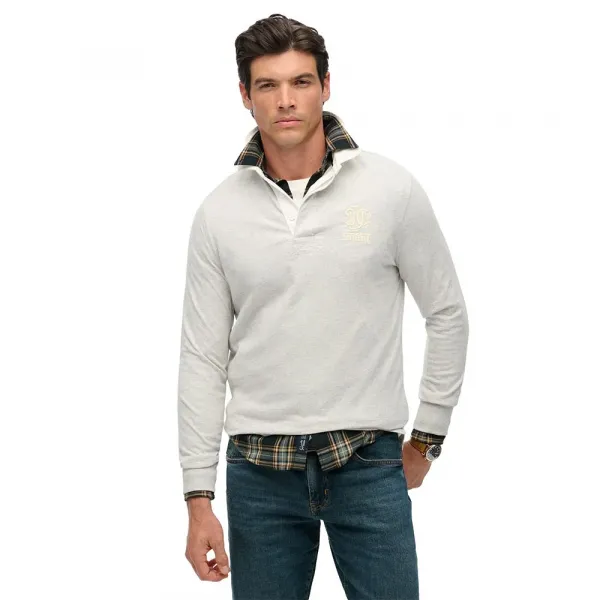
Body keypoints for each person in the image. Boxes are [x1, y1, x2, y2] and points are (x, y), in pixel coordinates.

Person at [178, 13, 469, 600]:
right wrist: (198, 497)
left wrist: (427, 439)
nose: (286, 100)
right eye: (268, 85)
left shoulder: (388, 190)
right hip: (258, 474)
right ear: (245, 95)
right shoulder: (219, 213)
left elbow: (447, 313)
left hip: (368, 463)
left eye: (301, 81)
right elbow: (202, 358)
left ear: (326, 85)